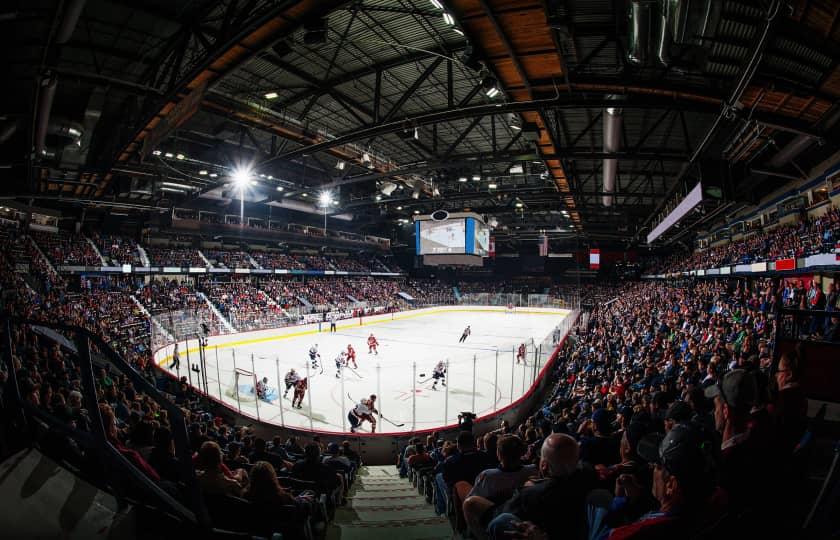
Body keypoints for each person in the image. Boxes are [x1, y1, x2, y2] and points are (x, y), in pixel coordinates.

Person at [592, 424, 717, 540]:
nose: (652, 470)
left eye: (657, 466)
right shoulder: (714, 501)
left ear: (671, 485)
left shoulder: (644, 531)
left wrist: (619, 500)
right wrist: (639, 498)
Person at [485, 434, 596, 540]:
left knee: (487, 513)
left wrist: (529, 488)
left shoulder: (530, 494)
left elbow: (498, 513)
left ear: (544, 466)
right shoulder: (589, 474)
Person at [463, 435, 538, 538]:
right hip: (523, 518)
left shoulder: (487, 476)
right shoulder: (533, 470)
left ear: (498, 454)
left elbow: (472, 499)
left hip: (498, 517)